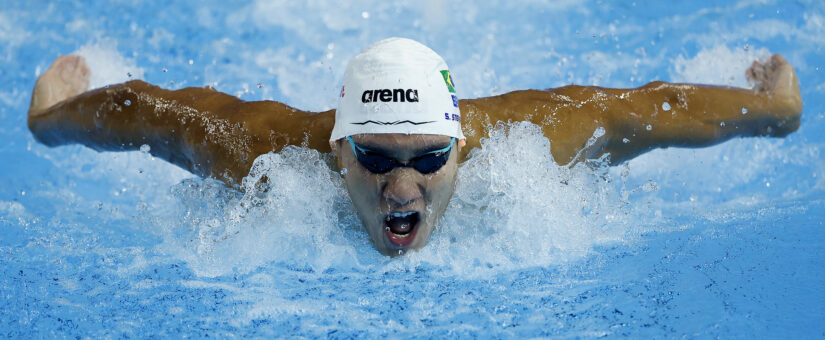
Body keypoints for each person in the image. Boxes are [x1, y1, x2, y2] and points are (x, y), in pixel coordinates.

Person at [27, 38, 803, 256]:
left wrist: (774, 110)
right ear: (334, 149)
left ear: (461, 147)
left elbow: (653, 108)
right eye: (375, 158)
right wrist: (49, 118)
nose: (403, 187)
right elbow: (151, 112)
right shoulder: (260, 155)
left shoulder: (530, 143)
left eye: (429, 158)